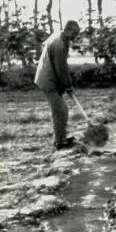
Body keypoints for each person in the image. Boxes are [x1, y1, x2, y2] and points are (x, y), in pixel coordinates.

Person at [34, 20, 81, 150]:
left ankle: (61, 137)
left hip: (50, 76)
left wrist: (66, 86)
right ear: (68, 30)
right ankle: (60, 143)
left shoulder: (59, 35)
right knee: (59, 110)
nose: (75, 37)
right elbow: (61, 68)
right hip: (48, 80)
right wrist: (68, 86)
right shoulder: (59, 44)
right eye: (74, 34)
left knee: (63, 109)